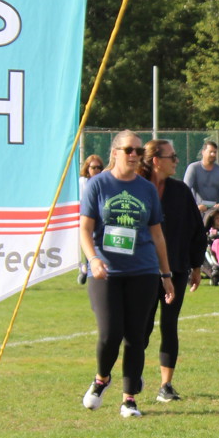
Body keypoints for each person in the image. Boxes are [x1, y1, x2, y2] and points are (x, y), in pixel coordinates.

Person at [79, 130, 174, 418]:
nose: (134, 155)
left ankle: (129, 399)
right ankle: (101, 378)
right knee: (110, 333)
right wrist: (93, 259)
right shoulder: (97, 184)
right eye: (129, 150)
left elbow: (157, 234)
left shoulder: (146, 189)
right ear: (115, 152)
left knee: (135, 336)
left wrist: (166, 275)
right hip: (106, 272)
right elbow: (85, 229)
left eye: (138, 151)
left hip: (143, 271)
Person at [142, 139, 206, 404]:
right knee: (141, 327)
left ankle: (165, 385)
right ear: (156, 160)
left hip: (177, 268)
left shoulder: (180, 191)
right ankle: (133, 375)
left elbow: (196, 229)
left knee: (169, 325)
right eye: (172, 156)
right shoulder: (137, 188)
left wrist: (196, 265)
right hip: (143, 270)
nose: (177, 161)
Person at [76, 154, 104, 284]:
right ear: (87, 168)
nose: (97, 170)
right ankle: (86, 268)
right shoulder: (83, 183)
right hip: (85, 218)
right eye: (93, 167)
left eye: (99, 167)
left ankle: (88, 268)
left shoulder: (104, 183)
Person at [183, 140, 219, 216]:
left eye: (215, 152)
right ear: (203, 152)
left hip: (215, 212)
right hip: (198, 211)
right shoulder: (193, 168)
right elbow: (185, 190)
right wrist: (195, 206)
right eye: (210, 152)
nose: (213, 154)